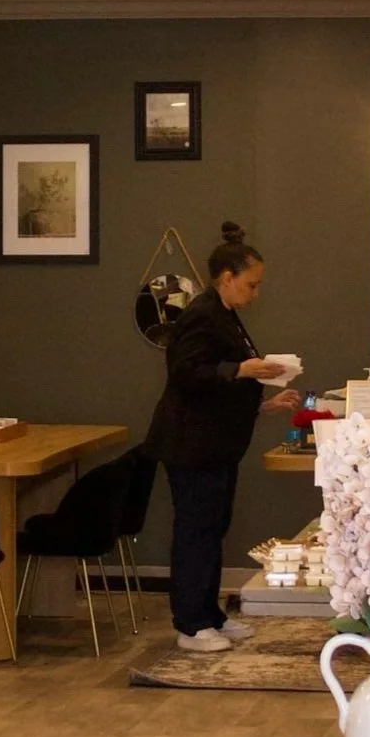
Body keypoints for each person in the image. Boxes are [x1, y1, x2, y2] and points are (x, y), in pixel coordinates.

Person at [145, 222, 300, 651]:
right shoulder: (200, 314)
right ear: (227, 278)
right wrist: (242, 369)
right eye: (251, 285)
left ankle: (210, 614)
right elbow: (186, 373)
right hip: (192, 446)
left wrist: (263, 402)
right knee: (196, 531)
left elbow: (221, 385)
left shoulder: (226, 315)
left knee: (213, 529)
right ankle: (190, 625)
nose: (255, 293)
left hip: (215, 445)